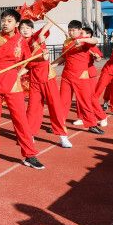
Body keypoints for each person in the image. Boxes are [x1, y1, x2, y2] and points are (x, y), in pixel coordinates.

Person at [0, 9, 44, 170]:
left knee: (20, 120)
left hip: (13, 84)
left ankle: (30, 155)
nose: (5, 23)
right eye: (3, 20)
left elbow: (28, 63)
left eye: (9, 21)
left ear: (16, 24)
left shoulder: (20, 41)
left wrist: (17, 74)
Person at [18, 19, 73, 148]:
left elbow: (50, 23)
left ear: (32, 30)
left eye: (27, 27)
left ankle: (62, 136)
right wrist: (17, 75)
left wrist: (41, 35)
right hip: (34, 79)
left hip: (47, 77)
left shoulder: (37, 37)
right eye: (22, 28)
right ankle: (29, 134)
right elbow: (27, 66)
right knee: (33, 108)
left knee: (55, 106)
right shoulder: (19, 45)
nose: (25, 30)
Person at [53, 20, 104, 135]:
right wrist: (51, 66)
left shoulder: (84, 41)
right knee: (63, 102)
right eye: (69, 30)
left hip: (81, 76)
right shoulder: (67, 42)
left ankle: (92, 124)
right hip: (66, 75)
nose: (71, 32)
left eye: (73, 30)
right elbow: (63, 58)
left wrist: (81, 39)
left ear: (80, 30)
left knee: (85, 101)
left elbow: (95, 40)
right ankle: (59, 124)